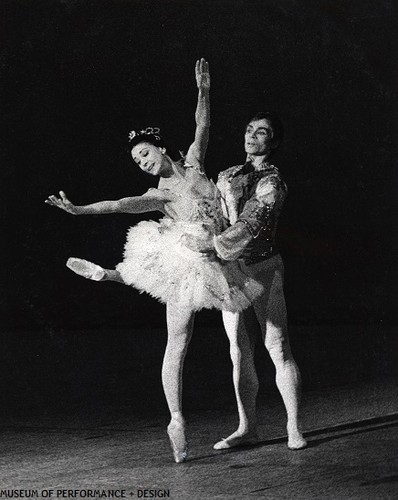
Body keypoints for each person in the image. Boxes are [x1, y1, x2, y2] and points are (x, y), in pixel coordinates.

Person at [45, 59, 262, 463]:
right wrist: (79, 211)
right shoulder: (157, 194)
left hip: (221, 254)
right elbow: (120, 204)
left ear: (161, 147)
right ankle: (176, 420)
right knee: (178, 341)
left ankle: (111, 275)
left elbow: (202, 126)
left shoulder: (195, 162)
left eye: (144, 153)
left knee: (240, 341)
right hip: (189, 261)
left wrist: (204, 91)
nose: (142, 162)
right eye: (137, 161)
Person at [212, 112, 307, 450]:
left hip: (263, 268)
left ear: (274, 142)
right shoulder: (226, 175)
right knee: (238, 350)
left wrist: (215, 244)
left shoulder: (272, 181)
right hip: (231, 270)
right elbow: (218, 216)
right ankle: (247, 427)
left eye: (261, 132)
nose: (252, 136)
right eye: (249, 129)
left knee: (277, 346)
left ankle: (293, 427)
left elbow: (252, 223)